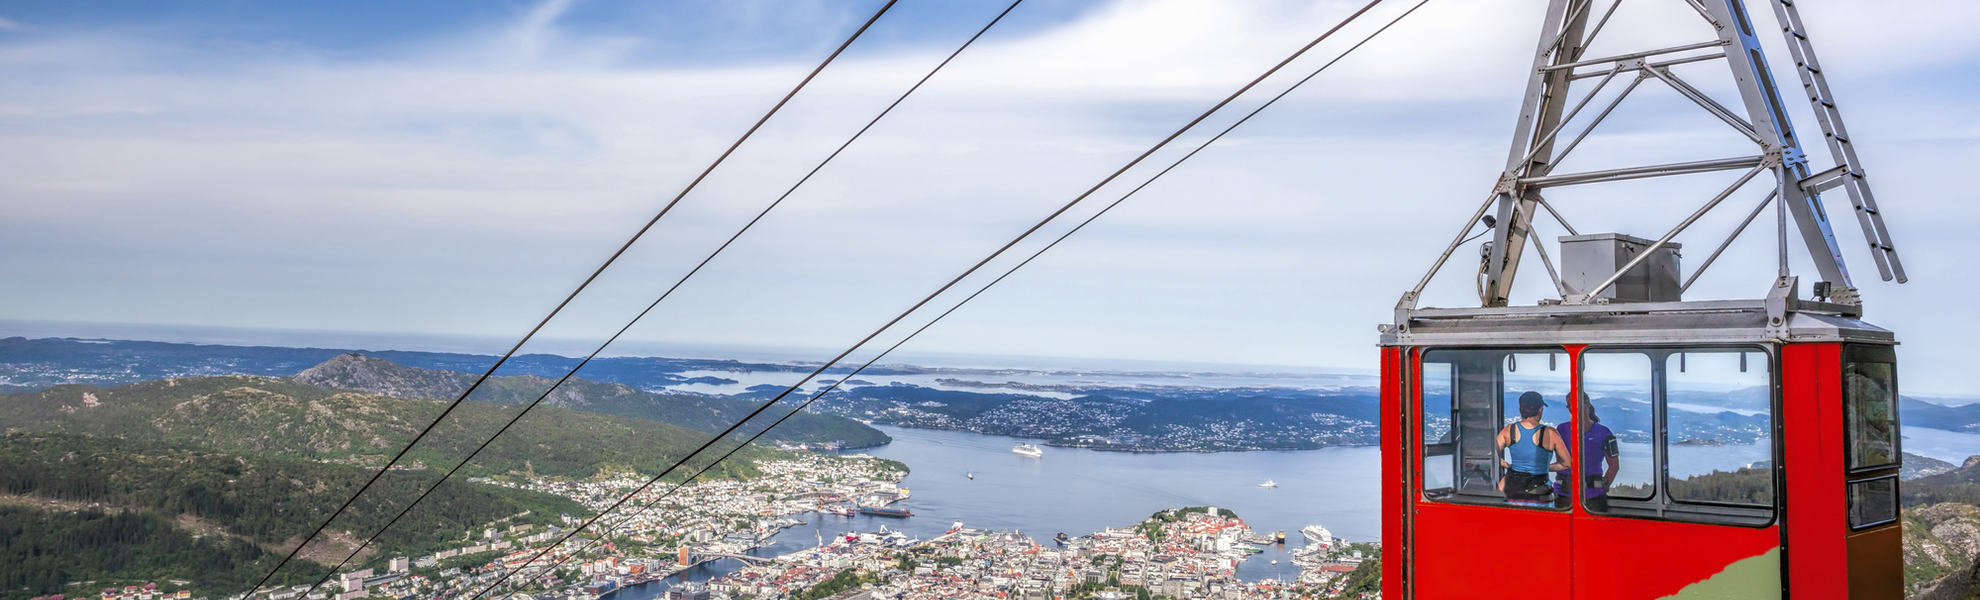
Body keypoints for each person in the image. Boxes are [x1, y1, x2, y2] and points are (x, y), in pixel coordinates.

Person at [1497, 391, 1572, 505]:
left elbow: (1490, 455)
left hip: (1513, 493)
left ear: (1520, 409)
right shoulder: (1550, 433)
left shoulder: (1509, 430)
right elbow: (1566, 464)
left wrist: (1509, 466)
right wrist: (1543, 467)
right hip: (1541, 495)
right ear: (1540, 410)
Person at [1555, 395, 1621, 511]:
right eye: (1570, 406)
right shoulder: (1561, 430)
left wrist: (1601, 487)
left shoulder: (1604, 432)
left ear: (1588, 404)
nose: (1573, 408)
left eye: (1576, 404)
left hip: (1593, 497)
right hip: (1565, 494)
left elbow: (1614, 466)